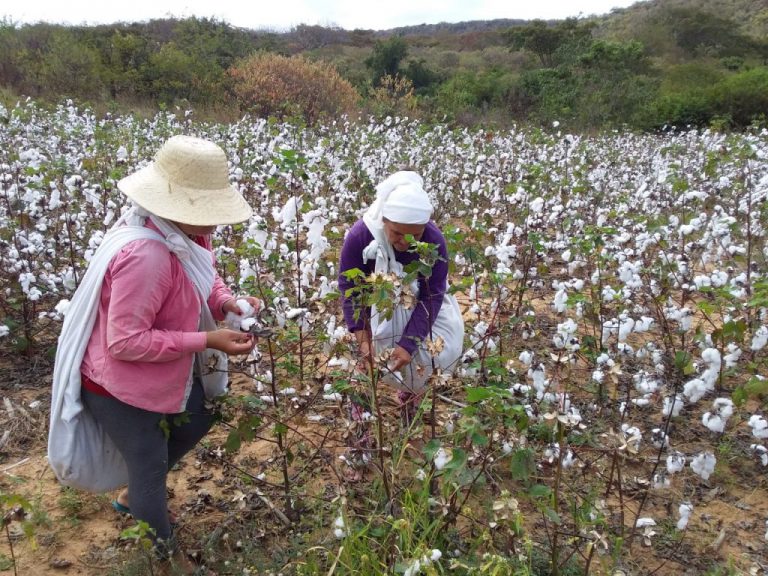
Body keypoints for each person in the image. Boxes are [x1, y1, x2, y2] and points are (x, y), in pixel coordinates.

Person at [49, 135, 257, 572]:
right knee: (148, 461)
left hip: (165, 372)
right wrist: (207, 340)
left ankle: (139, 495)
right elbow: (123, 342)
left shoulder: (186, 236)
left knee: (202, 414)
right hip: (115, 385)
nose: (215, 224)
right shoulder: (148, 255)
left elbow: (205, 281)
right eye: (208, 212)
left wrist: (226, 303)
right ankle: (162, 556)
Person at [337, 171, 464, 474]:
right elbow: (350, 289)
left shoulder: (434, 242)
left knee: (422, 362)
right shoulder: (360, 237)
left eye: (414, 236)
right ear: (384, 222)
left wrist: (408, 344)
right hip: (374, 305)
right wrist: (362, 335)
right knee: (360, 373)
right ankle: (361, 438)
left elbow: (432, 296)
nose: (405, 243)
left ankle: (409, 404)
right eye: (396, 234)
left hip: (417, 306)